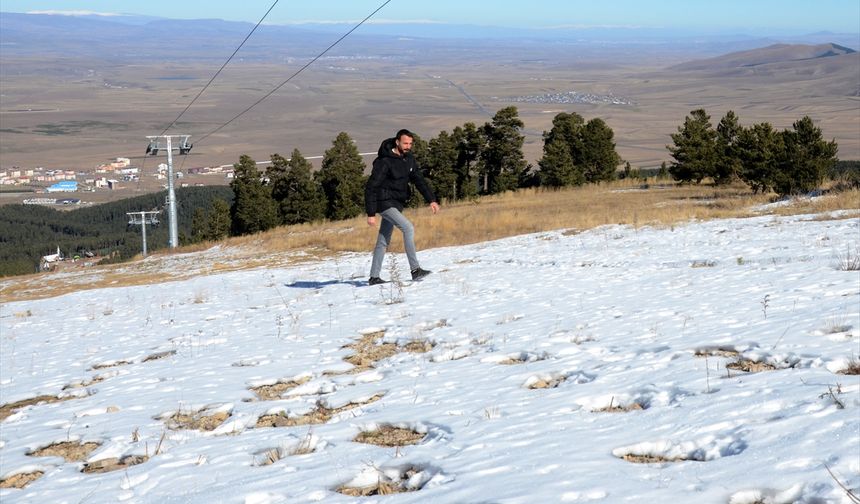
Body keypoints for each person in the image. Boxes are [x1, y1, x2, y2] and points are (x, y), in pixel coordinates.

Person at [365, 129, 440, 285]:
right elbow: (371, 187)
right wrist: (371, 213)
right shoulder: (384, 161)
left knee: (383, 240)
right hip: (384, 202)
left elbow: (419, 180)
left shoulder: (408, 159)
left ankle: (374, 277)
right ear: (397, 142)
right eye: (405, 143)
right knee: (408, 228)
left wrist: (431, 199)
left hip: (397, 203)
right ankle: (415, 270)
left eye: (410, 143)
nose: (408, 146)